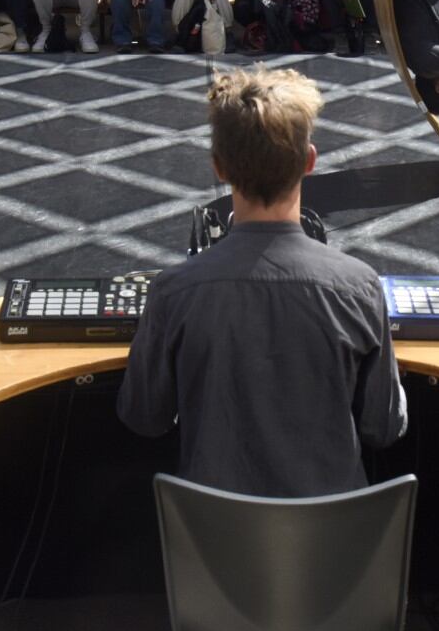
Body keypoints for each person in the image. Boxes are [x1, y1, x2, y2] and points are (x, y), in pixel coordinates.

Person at [118, 67, 405, 495]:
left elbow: (144, 417)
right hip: (337, 545)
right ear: (310, 161)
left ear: (219, 167)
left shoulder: (173, 292)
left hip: (211, 539)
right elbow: (383, 427)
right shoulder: (360, 288)